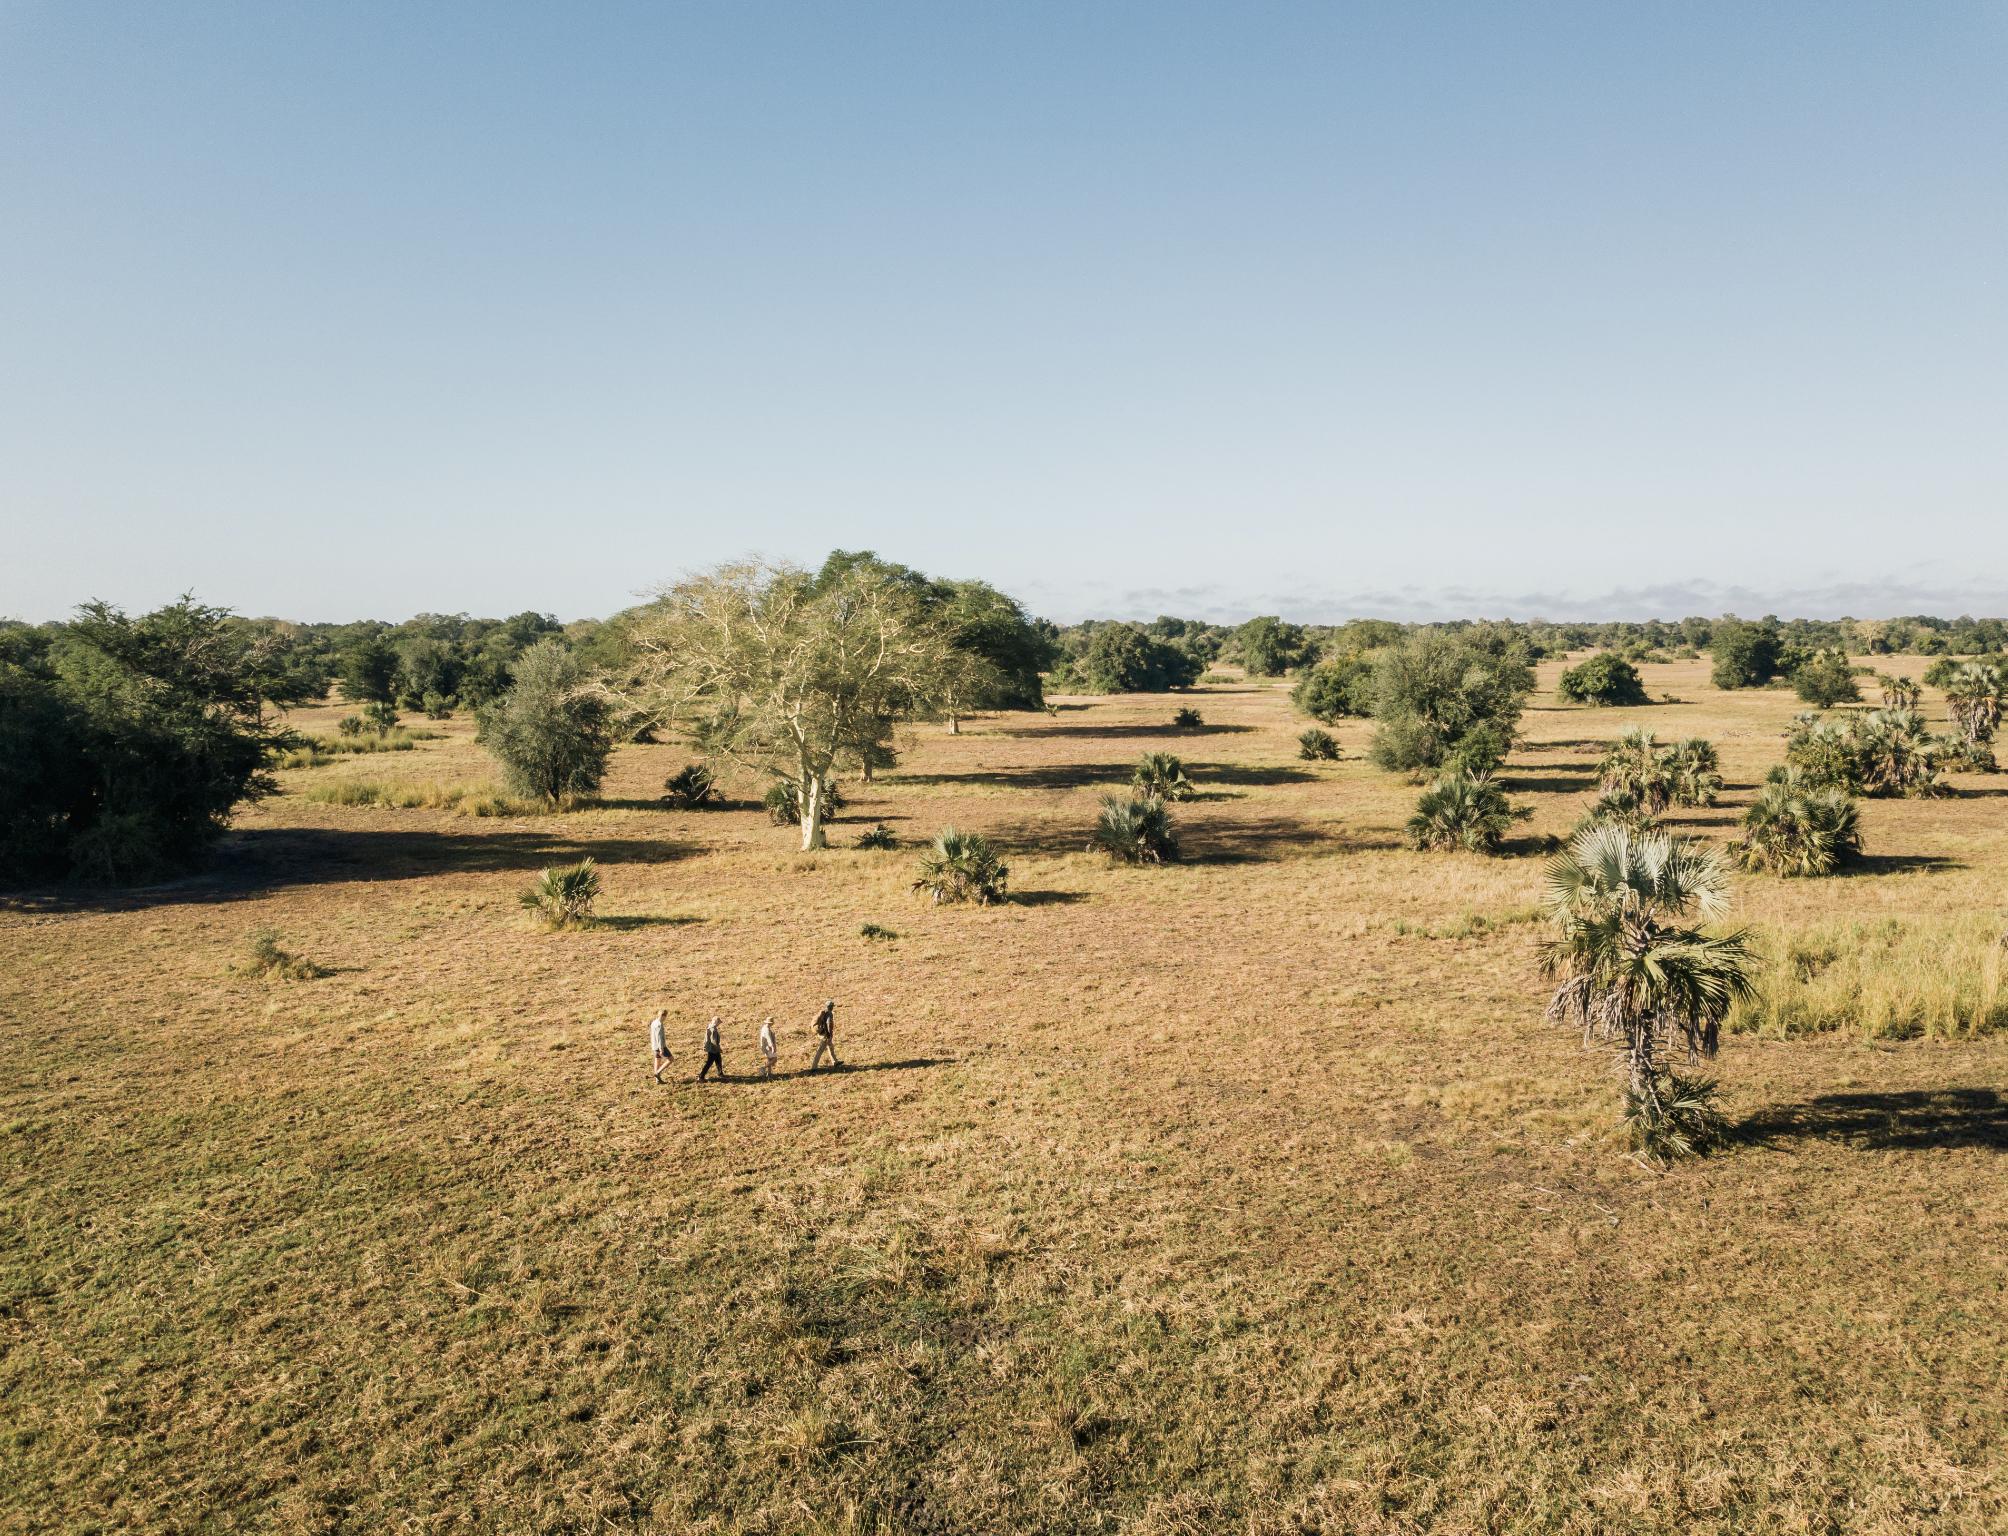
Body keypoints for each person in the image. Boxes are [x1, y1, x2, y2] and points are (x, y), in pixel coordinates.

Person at [808, 998, 838, 1071]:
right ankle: (814, 1067)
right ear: (830, 1006)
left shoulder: (823, 1012)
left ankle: (835, 1062)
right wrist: (829, 1034)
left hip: (822, 1032)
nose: (832, 1007)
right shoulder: (829, 1013)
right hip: (825, 1034)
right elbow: (828, 1024)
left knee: (830, 1046)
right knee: (820, 1050)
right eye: (832, 1006)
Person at [698, 1015, 726, 1081]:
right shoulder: (713, 1029)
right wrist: (718, 1049)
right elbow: (713, 1041)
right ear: (716, 1022)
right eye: (719, 1022)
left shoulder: (710, 1026)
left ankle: (720, 1073)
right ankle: (701, 1076)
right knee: (709, 1063)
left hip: (713, 1049)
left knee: (718, 1060)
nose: (719, 1024)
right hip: (713, 1049)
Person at [648, 1009, 672, 1084]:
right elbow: (659, 1038)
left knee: (657, 1060)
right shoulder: (659, 1025)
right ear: (663, 1016)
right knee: (671, 1059)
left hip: (654, 1045)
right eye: (665, 1016)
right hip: (660, 1046)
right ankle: (657, 1073)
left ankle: (657, 1080)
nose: (666, 1018)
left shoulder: (653, 1022)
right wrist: (661, 1049)